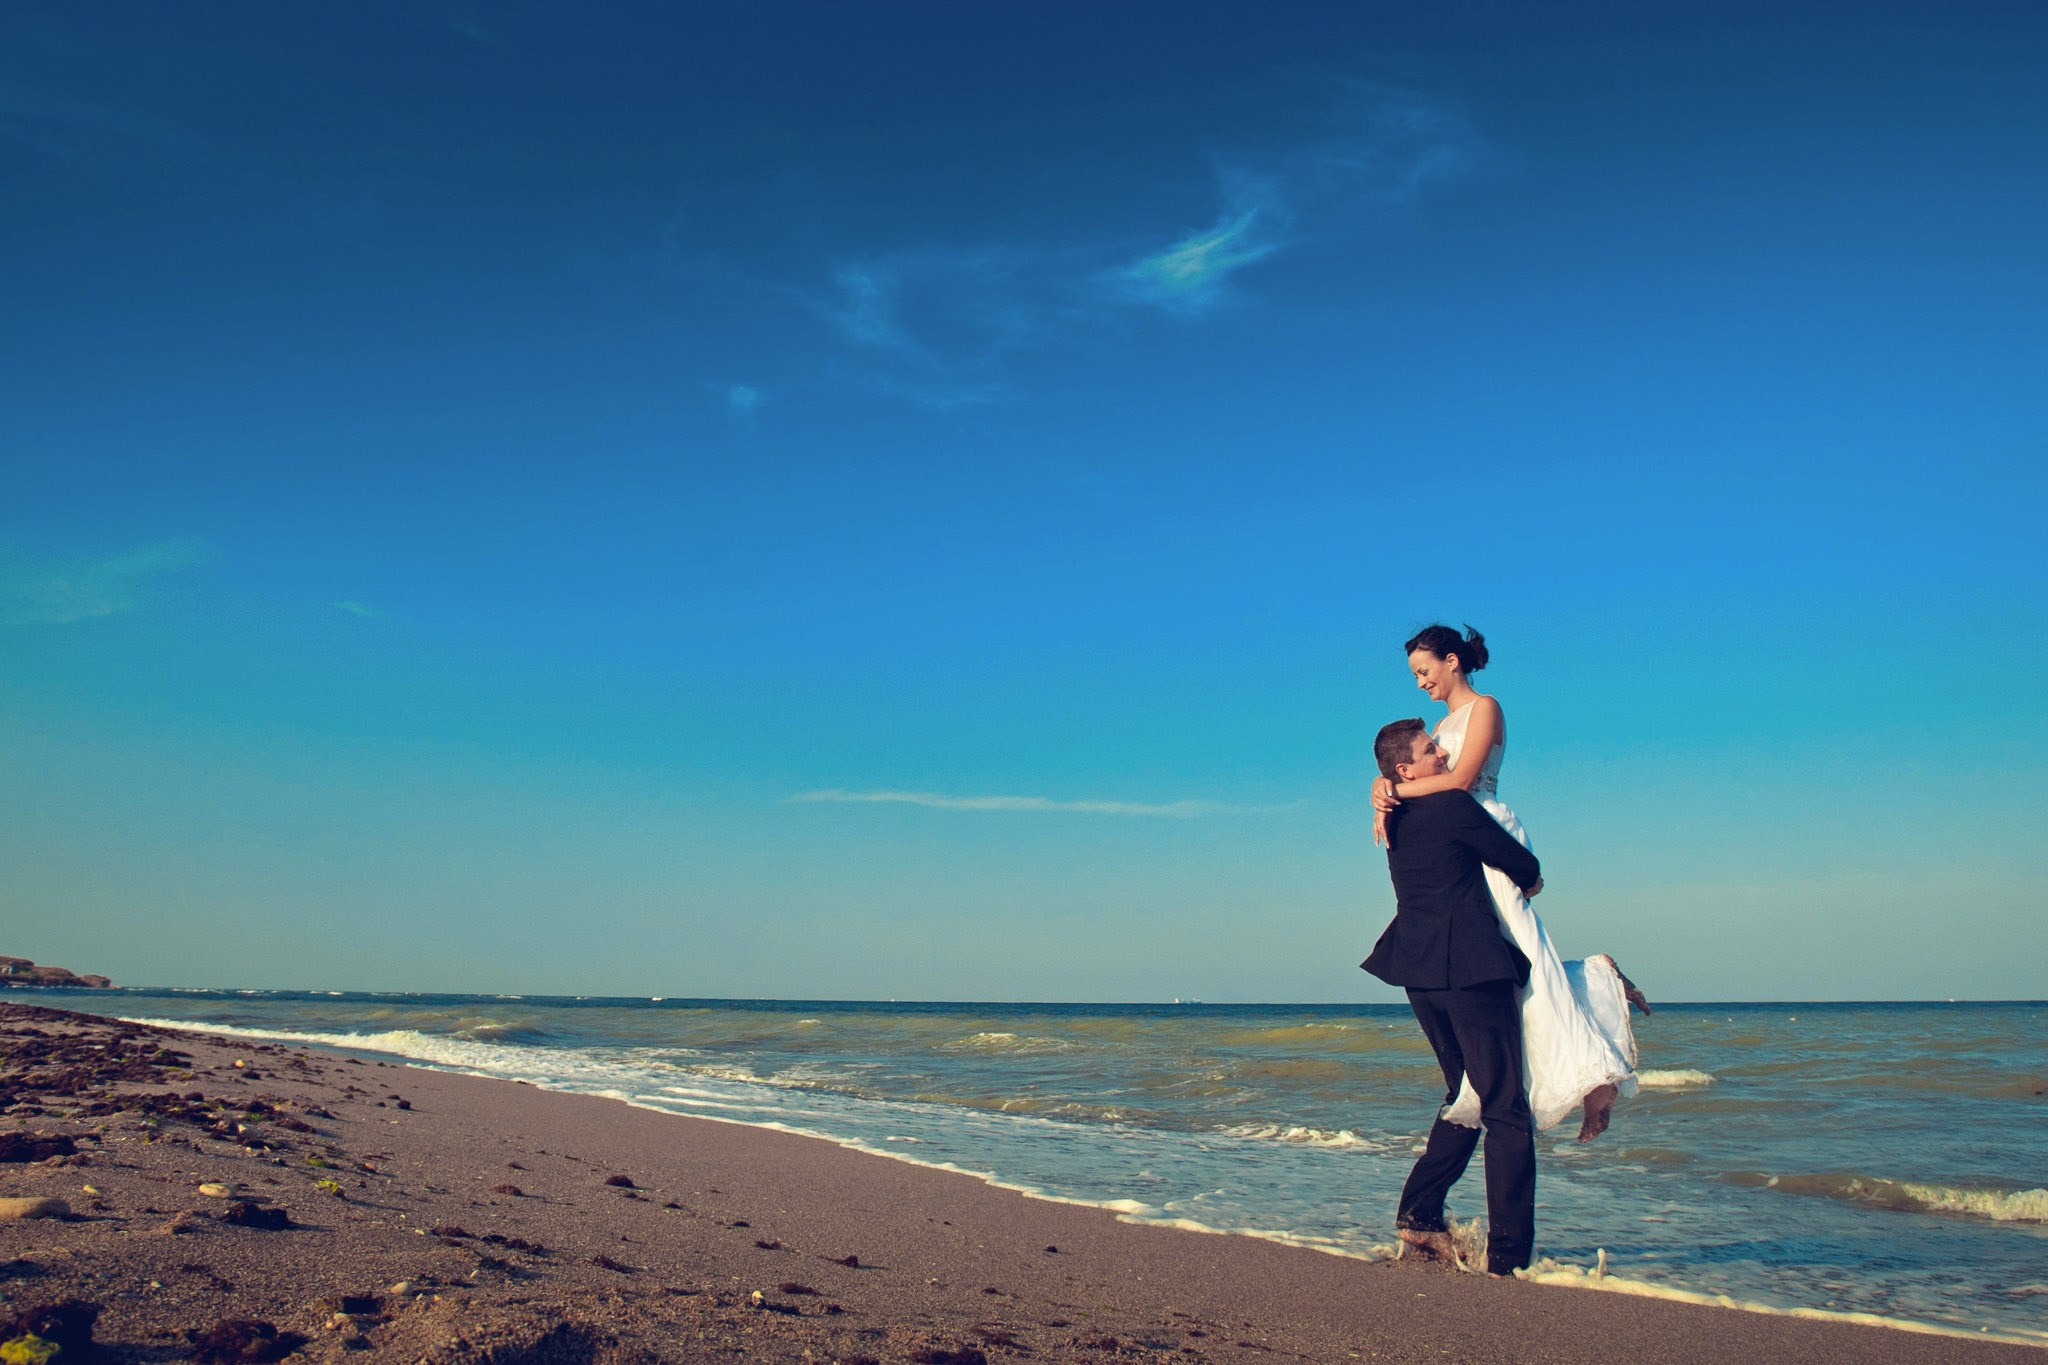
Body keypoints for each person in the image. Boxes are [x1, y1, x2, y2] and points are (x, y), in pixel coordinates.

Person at [1371, 624, 1644, 1141]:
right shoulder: (1438, 725)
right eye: (1415, 675)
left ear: (1452, 661)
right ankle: (1545, 1055)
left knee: (1521, 952)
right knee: (1497, 965)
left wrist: (1393, 792)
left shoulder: (1486, 708)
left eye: (1424, 671)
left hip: (1486, 831)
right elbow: (1416, 771)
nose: (1420, 682)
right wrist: (1381, 782)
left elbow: (1458, 782)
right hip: (1456, 844)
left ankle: (1592, 1076)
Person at [1361, 717, 1542, 1277]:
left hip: (1418, 969)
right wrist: (1531, 880)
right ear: (1406, 768)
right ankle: (1508, 1258)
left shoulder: (1393, 816)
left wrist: (1383, 789)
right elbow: (1522, 864)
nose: (1442, 752)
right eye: (1429, 749)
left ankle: (1419, 1213)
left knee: (1463, 1092)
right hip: (1470, 967)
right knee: (1505, 1105)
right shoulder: (1452, 806)